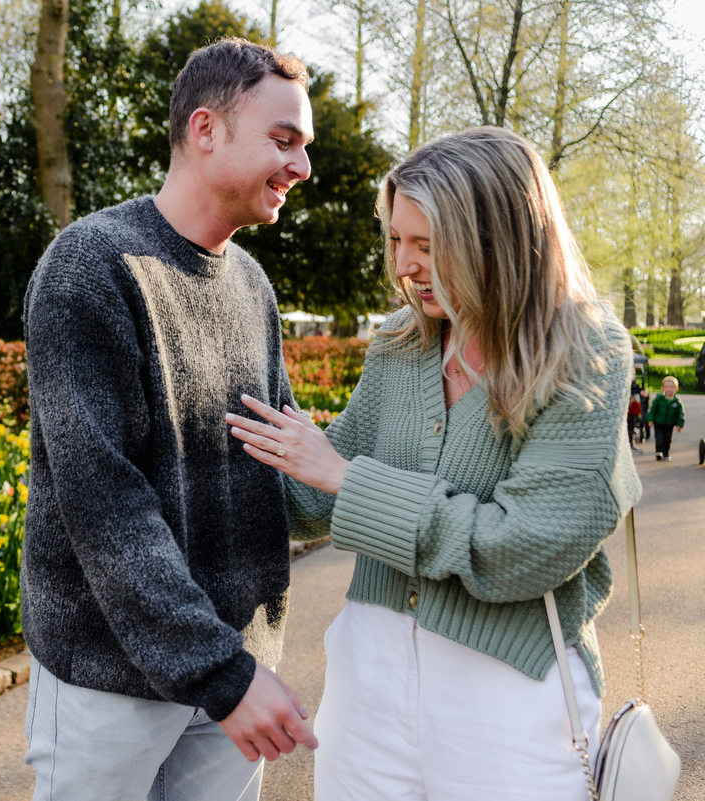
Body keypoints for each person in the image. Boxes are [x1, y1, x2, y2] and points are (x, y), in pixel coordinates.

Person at [226, 127, 641, 801]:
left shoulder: (585, 354)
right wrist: (236, 404)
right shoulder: (400, 343)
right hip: (369, 679)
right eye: (396, 240)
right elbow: (314, 500)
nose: (405, 267)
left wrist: (346, 478)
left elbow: (523, 549)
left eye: (426, 245)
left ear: (499, 240)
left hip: (512, 690)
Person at [21, 37, 317, 801]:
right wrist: (221, 671)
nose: (302, 167)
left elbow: (286, 459)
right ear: (206, 128)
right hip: (109, 681)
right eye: (283, 140)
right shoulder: (90, 266)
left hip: (232, 675)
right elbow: (104, 504)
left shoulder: (252, 284)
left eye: (304, 146)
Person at [649, 375, 685, 460]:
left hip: (669, 424)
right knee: (659, 438)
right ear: (663, 388)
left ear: (676, 389)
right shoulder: (659, 399)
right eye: (667, 387)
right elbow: (652, 409)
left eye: (672, 387)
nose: (669, 389)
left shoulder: (677, 402)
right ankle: (658, 451)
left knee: (668, 440)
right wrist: (650, 419)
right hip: (659, 423)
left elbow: (680, 414)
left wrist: (680, 424)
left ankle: (666, 453)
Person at [627, 381, 643, 451]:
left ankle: (630, 443)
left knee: (631, 427)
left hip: (632, 413)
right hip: (628, 412)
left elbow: (637, 404)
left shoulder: (635, 387)